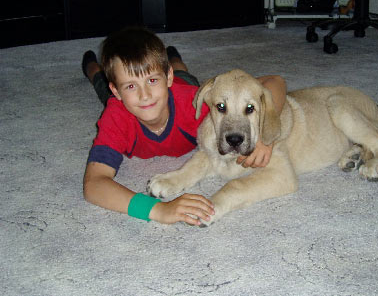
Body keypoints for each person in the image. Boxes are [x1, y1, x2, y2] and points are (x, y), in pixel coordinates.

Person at [82, 26, 287, 226]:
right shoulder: (116, 118)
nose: (144, 96)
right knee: (100, 82)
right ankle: (92, 66)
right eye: (131, 86)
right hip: (147, 91)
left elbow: (274, 81)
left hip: (184, 89)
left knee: (186, 77)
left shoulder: (196, 103)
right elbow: (94, 185)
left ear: (167, 77)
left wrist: (264, 139)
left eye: (152, 80)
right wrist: (158, 210)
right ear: (117, 91)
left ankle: (174, 59)